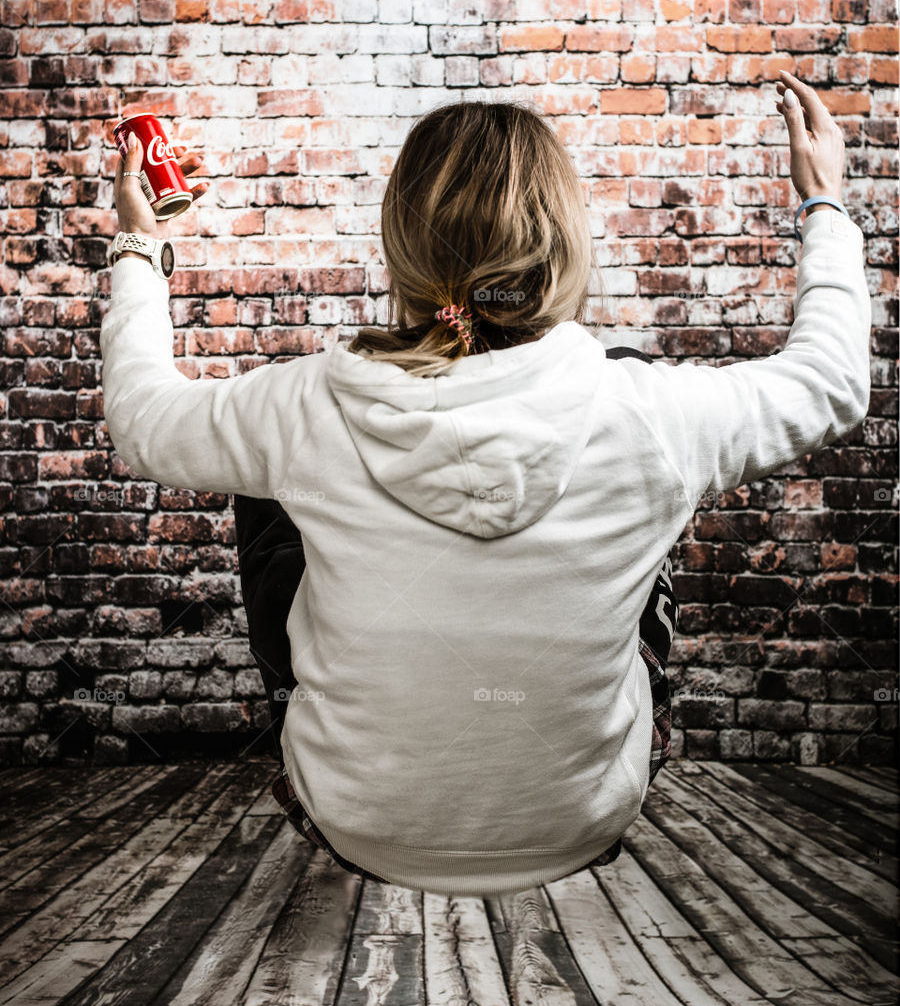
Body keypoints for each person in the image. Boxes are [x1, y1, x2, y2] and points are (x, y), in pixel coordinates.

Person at [101, 71, 870, 896]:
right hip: (585, 819)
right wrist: (823, 202)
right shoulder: (648, 408)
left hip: (358, 822)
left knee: (264, 477)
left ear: (402, 244)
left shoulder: (302, 405)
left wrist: (140, 243)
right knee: (653, 481)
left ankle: (327, 716)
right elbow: (829, 383)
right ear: (562, 242)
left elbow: (144, 420)